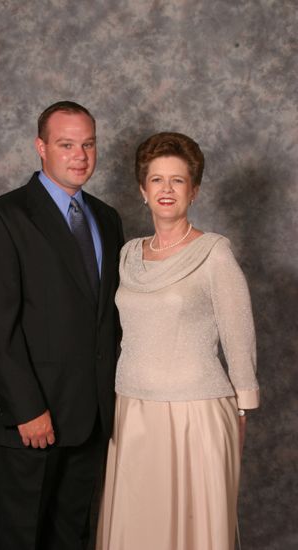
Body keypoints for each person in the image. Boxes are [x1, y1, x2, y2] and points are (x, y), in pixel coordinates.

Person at [0, 100, 124, 550]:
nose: (80, 156)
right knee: (16, 537)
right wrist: (26, 410)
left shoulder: (107, 219)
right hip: (30, 421)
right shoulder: (3, 217)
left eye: (88, 144)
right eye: (66, 144)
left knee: (70, 537)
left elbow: (106, 322)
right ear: (41, 147)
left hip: (91, 418)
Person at [96, 132, 259, 550]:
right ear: (142, 190)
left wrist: (243, 409)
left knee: (192, 531)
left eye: (178, 181)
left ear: (195, 190)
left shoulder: (214, 253)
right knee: (138, 530)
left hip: (196, 414)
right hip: (131, 410)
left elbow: (239, 337)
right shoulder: (127, 254)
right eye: (156, 180)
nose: (166, 190)